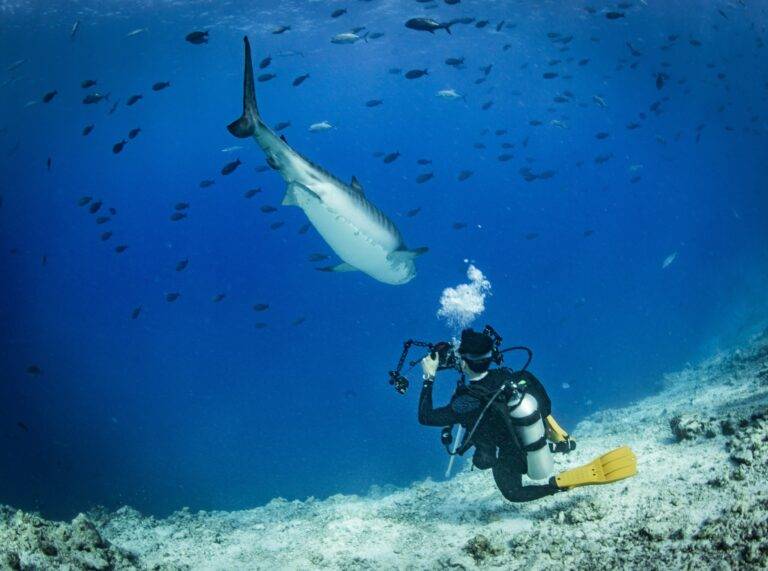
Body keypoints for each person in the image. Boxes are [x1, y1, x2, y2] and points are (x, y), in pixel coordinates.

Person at [418, 327, 636, 502]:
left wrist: (429, 378)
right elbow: (545, 407)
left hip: (508, 457)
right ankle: (558, 443)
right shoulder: (511, 377)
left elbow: (425, 417)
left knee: (513, 494)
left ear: (463, 362)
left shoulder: (467, 401)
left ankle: (557, 486)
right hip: (532, 442)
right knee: (525, 445)